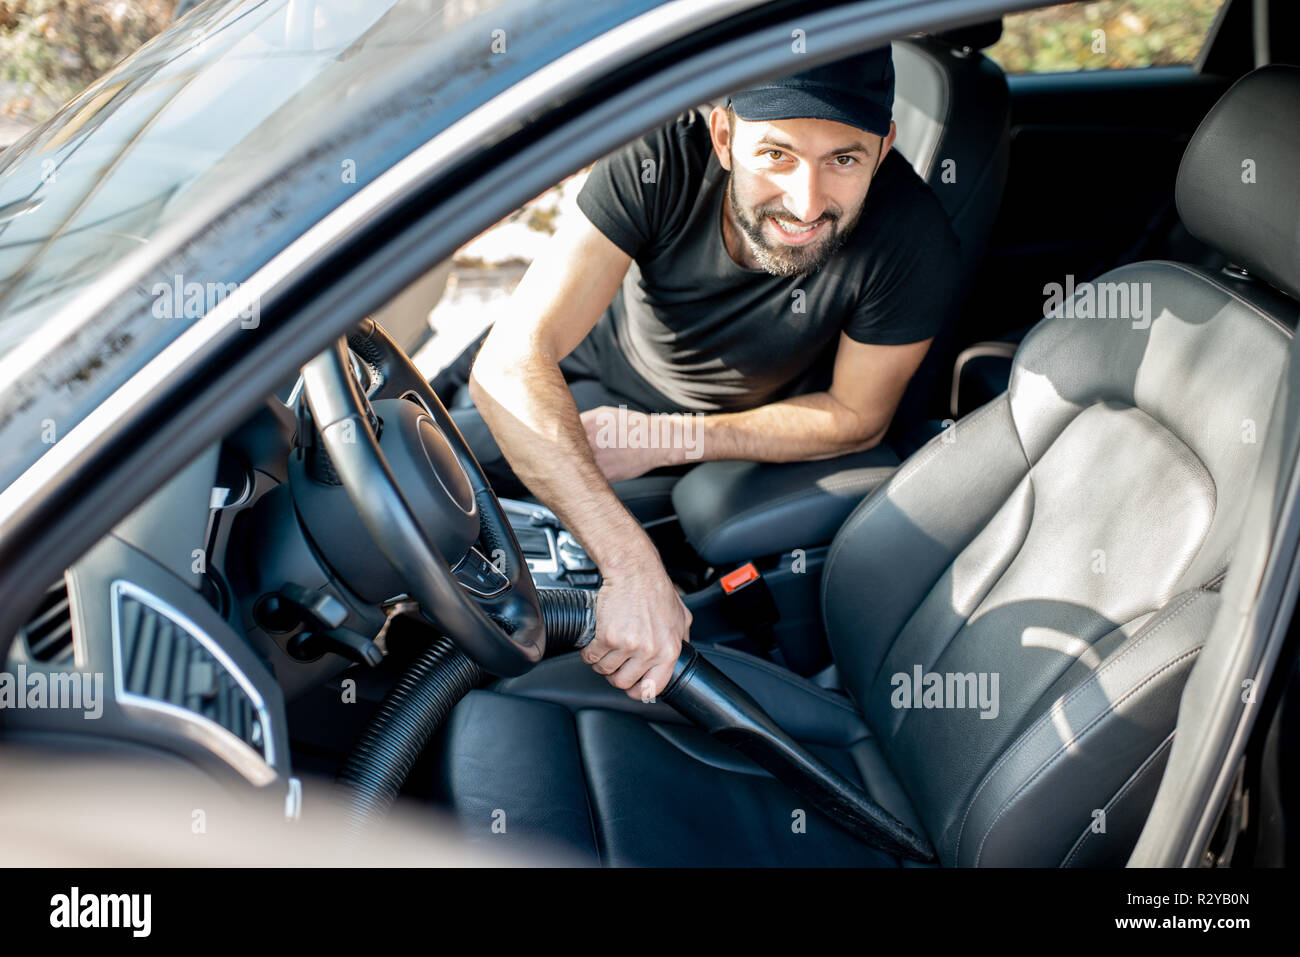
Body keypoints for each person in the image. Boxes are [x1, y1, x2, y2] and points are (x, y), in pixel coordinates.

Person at [440, 46, 963, 702]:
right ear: (723, 135)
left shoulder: (911, 236)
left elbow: (858, 418)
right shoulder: (659, 157)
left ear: (883, 148)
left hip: (716, 432)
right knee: (416, 458)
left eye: (844, 159)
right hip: (588, 363)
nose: (806, 202)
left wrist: (668, 438)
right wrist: (629, 565)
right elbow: (515, 359)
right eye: (777, 154)